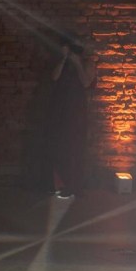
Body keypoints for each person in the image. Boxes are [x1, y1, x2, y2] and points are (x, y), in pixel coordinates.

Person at [44, 32, 97, 199]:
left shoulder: (88, 63)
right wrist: (64, 58)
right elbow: (54, 77)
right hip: (60, 108)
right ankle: (58, 184)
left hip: (76, 110)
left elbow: (86, 82)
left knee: (74, 147)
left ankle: (73, 185)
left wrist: (77, 63)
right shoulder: (63, 62)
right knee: (58, 144)